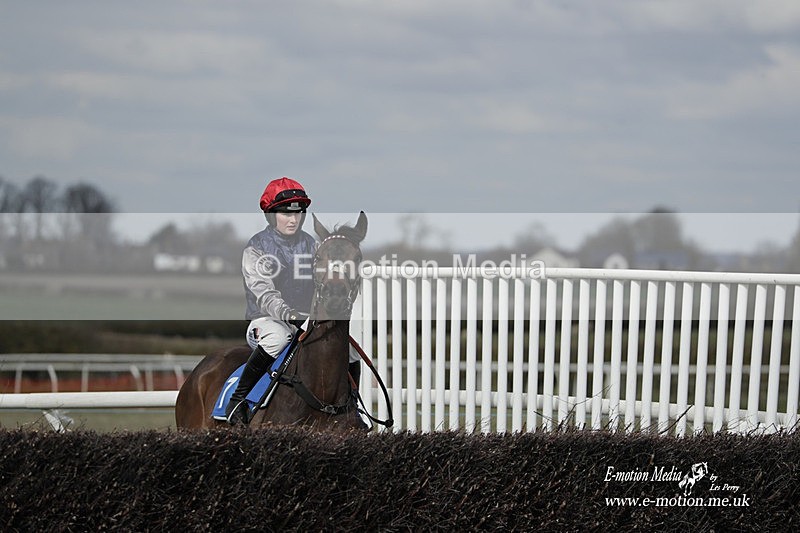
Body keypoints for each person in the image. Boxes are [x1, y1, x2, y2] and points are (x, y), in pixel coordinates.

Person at [225, 177, 361, 425]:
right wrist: (290, 314)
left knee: (350, 349)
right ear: (271, 216)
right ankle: (238, 400)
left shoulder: (313, 246)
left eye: (298, 213)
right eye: (286, 214)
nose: (293, 220)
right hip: (267, 322)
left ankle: (353, 403)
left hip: (305, 321)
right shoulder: (256, 248)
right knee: (279, 338)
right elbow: (264, 293)